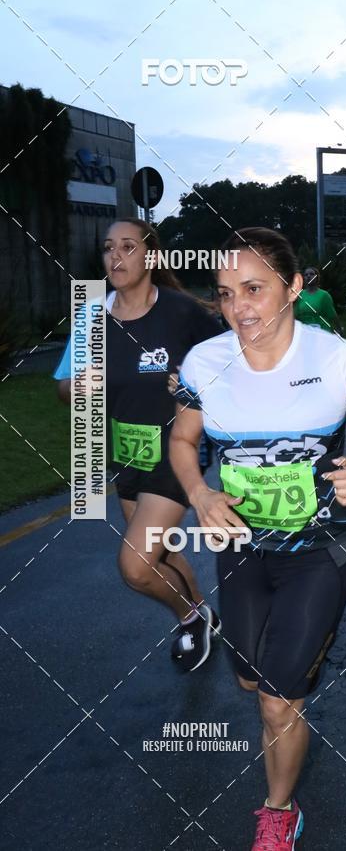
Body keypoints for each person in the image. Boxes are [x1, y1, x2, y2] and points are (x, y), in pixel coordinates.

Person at [169, 227, 346, 850]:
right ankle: (289, 685)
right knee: (252, 682)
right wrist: (198, 492)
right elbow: (181, 440)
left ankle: (279, 810)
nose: (239, 308)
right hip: (241, 548)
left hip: (321, 550)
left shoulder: (336, 359)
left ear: (293, 287)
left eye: (254, 289)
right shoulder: (205, 362)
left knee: (279, 698)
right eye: (225, 294)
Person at [54, 218, 223, 671]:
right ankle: (203, 614)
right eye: (109, 248)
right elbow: (64, 387)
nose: (116, 256)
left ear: (151, 256)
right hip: (127, 452)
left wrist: (192, 381)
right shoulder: (92, 314)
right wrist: (86, 382)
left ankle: (191, 617)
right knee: (161, 552)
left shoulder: (181, 311)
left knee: (135, 565)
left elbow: (230, 364)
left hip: (178, 452)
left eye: (129, 247)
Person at [294, 266, 341, 333]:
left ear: (317, 277)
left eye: (311, 274)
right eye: (306, 275)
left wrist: (339, 329)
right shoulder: (299, 295)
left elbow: (332, 315)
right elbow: (295, 315)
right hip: (305, 332)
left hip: (322, 332)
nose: (308, 276)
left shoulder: (324, 295)